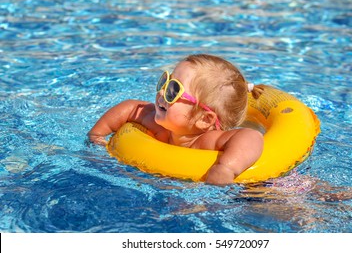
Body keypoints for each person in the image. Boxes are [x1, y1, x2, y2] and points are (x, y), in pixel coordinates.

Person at [88, 54, 264, 185]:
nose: (162, 92)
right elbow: (131, 108)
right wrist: (97, 136)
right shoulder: (160, 127)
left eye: (173, 90)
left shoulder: (208, 141)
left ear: (204, 119)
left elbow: (251, 137)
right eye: (165, 81)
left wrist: (226, 168)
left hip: (250, 189)